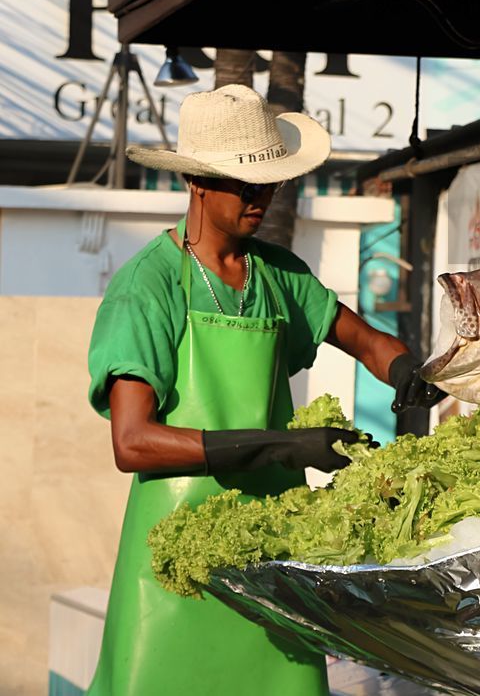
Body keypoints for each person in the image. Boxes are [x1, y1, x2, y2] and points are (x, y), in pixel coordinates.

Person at [85, 84, 441, 695]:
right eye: (243, 182)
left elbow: (372, 346)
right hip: (177, 573)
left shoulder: (279, 277)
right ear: (197, 182)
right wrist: (280, 447)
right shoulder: (149, 286)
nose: (261, 195)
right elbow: (133, 442)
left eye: (269, 181)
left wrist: (410, 375)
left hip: (274, 567)